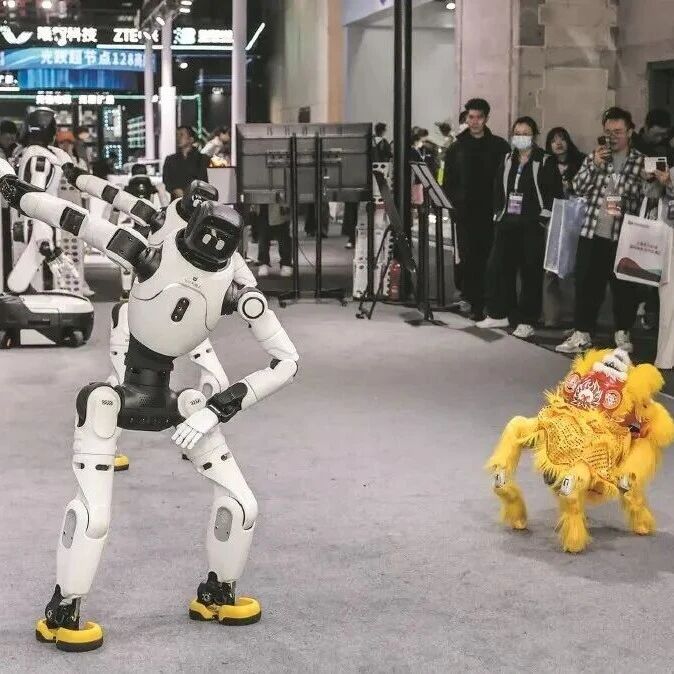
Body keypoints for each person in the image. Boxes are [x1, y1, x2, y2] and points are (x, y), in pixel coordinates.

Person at [556, 107, 648, 354]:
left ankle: (622, 331)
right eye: (608, 132)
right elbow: (577, 187)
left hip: (624, 236)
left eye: (618, 132)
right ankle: (582, 333)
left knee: (624, 288)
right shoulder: (594, 157)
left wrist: (652, 182)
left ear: (630, 132)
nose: (612, 137)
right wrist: (595, 165)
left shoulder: (640, 161)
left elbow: (648, 197)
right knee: (587, 285)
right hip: (592, 232)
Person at [476, 116, 563, 338]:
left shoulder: (544, 160)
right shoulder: (508, 158)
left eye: (525, 133)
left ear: (534, 136)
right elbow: (498, 186)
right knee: (498, 268)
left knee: (529, 272)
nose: (520, 137)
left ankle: (527, 319)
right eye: (517, 133)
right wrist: (498, 212)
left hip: (532, 224)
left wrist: (543, 217)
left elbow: (554, 192)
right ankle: (499, 312)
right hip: (507, 222)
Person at [442, 98, 510, 321]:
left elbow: (505, 179)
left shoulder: (500, 146)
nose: (474, 121)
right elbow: (449, 181)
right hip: (465, 213)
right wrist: (453, 206)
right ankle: (473, 302)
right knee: (469, 260)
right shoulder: (456, 148)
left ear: (486, 118)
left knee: (491, 260)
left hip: (491, 213)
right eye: (471, 117)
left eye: (479, 117)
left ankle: (491, 303)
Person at [542, 127, 586, 327]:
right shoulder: (547, 163)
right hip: (553, 219)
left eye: (562, 139)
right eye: (553, 140)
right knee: (550, 267)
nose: (558, 143)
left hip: (576, 219)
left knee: (572, 268)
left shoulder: (582, 161)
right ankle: (551, 316)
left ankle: (573, 317)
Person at [162, 126, 209, 200]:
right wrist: (174, 189)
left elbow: (203, 180)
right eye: (177, 135)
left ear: (191, 139)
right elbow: (166, 180)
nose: (178, 138)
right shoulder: (170, 159)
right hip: (176, 201)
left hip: (196, 201)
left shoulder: (203, 159)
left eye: (181, 135)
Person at [257, 203, 293, 278]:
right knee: (263, 235)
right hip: (262, 204)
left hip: (280, 204)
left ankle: (286, 263)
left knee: (283, 235)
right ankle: (263, 263)